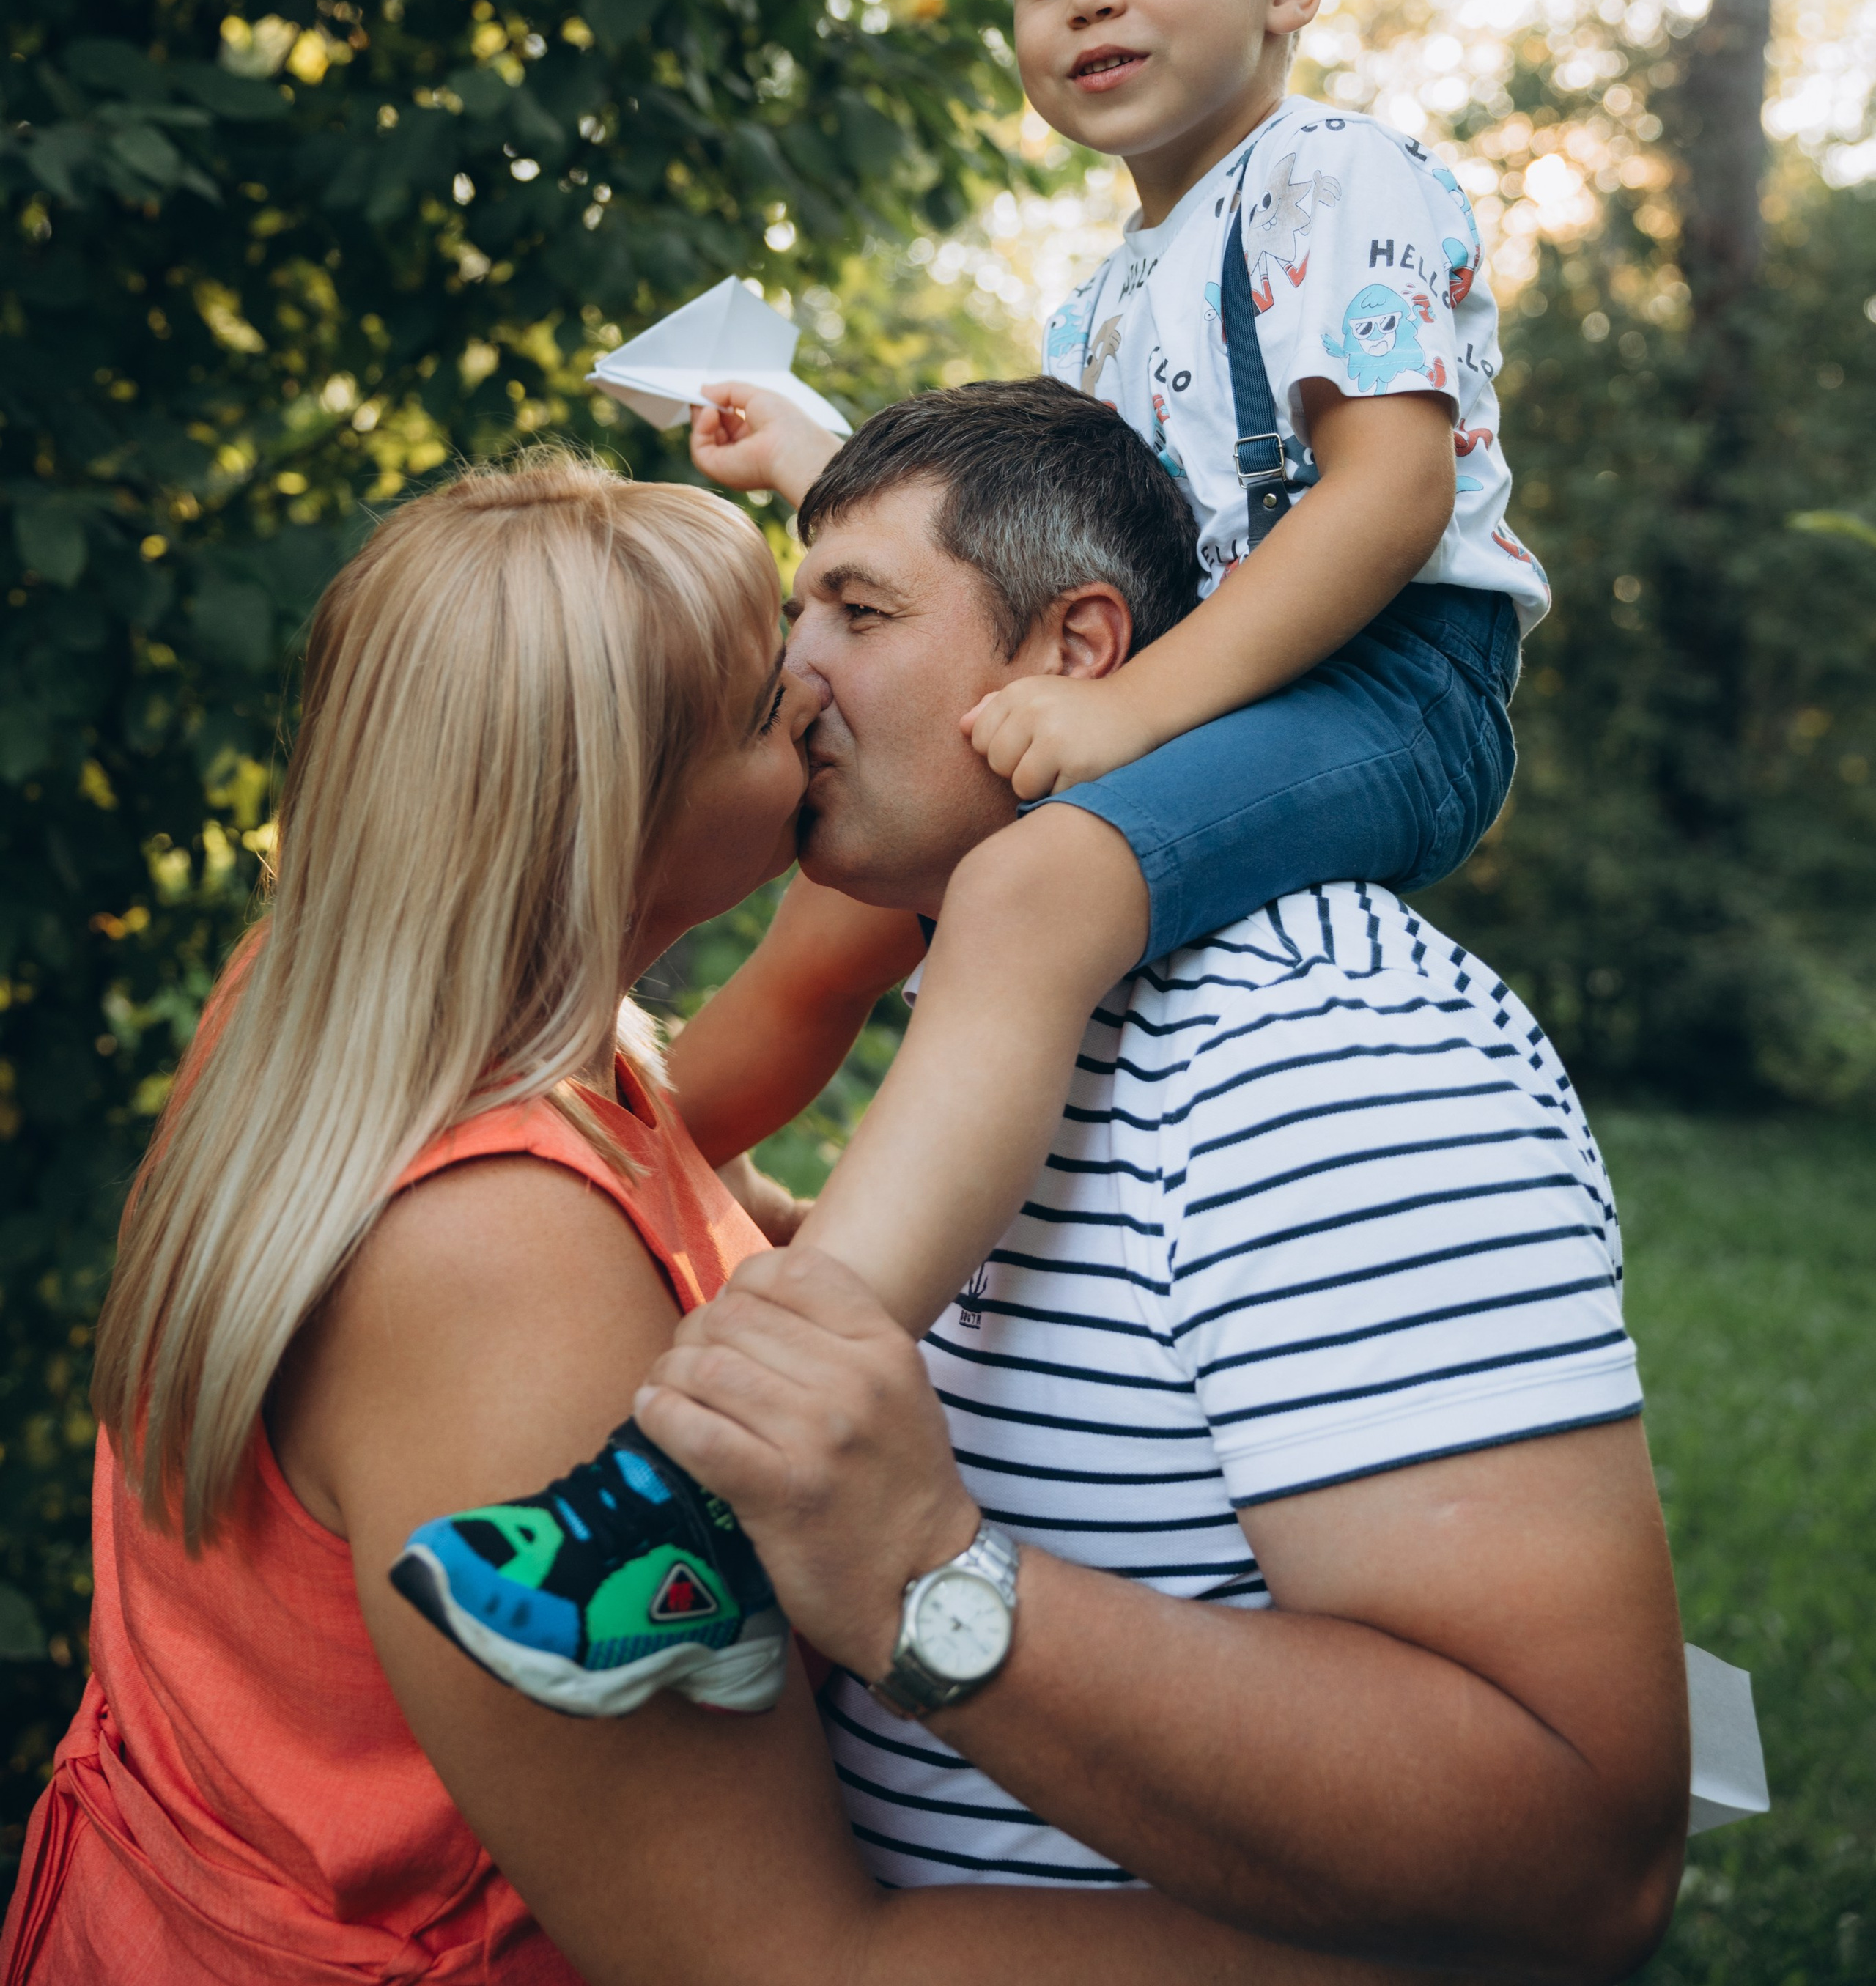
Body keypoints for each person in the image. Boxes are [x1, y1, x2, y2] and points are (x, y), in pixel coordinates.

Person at [405, 0, 1551, 1716]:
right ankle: (669, 1228)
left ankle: (699, 1495)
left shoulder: (1342, 179)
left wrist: (1123, 716)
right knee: (897, 895)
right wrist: (828, 463)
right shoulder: (1104, 301)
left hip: (1393, 681)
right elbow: (1041, 560)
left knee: (1021, 885)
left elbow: (1380, 504)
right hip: (1195, 687)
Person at [1, 451, 1364, 1986]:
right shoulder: (498, 1260)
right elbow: (778, 1962)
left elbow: (768, 1050)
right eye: (771, 708)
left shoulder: (340, 1009)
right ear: (623, 818)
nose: (818, 700)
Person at [634, 381, 1688, 1974]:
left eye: (856, 611)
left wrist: (923, 1579)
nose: (791, 677)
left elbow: (1576, 1854)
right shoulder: (1002, 1020)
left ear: (1076, 650)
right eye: (799, 611)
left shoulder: (1324, 1048)